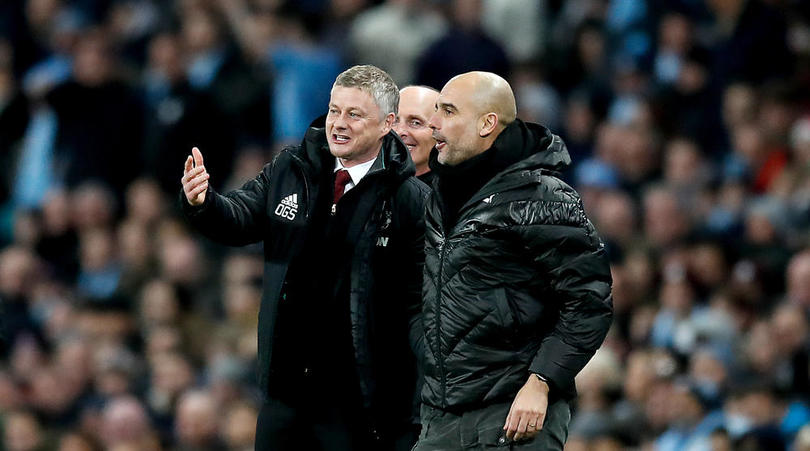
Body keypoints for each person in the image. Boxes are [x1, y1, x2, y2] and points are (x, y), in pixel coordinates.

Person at [180, 65, 428, 451]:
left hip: (356, 403)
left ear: (386, 124)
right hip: (285, 392)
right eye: (334, 110)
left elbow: (418, 305)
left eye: (353, 114)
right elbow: (239, 217)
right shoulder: (291, 168)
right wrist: (204, 202)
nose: (338, 124)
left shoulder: (409, 198)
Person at [414, 72, 613, 451]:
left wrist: (541, 382)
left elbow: (589, 303)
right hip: (441, 416)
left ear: (487, 123)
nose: (434, 122)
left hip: (512, 414)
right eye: (436, 109)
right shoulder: (440, 191)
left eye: (449, 111)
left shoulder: (542, 197)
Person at [393, 85, 440, 185]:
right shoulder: (364, 183)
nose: (399, 131)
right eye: (394, 121)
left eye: (415, 123)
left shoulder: (452, 195)